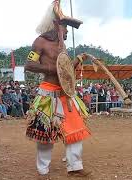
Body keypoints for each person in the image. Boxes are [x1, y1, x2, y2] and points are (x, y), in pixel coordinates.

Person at [24, 1, 91, 178]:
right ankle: (43, 169)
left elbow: (66, 71)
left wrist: (77, 60)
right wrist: (51, 69)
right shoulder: (40, 42)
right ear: (57, 25)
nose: (68, 32)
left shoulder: (63, 47)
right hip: (47, 94)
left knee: (76, 130)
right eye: (66, 28)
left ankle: (75, 166)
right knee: (45, 135)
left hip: (66, 94)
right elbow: (29, 65)